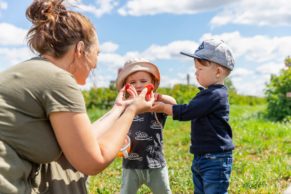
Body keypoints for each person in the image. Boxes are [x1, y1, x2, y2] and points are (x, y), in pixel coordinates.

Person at [0, 1, 154, 194]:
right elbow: (92, 161)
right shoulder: (58, 80)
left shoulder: (32, 70)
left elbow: (81, 141)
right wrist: (132, 111)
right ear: (80, 49)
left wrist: (118, 109)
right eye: (96, 53)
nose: (96, 64)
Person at [158, 39, 235, 194]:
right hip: (201, 157)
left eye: (199, 69)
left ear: (218, 72)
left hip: (215, 159)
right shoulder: (207, 94)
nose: (196, 73)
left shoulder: (216, 95)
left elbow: (188, 111)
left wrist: (164, 108)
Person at [116, 58, 177, 194]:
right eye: (132, 82)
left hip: (155, 163)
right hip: (131, 164)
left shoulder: (155, 105)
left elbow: (174, 105)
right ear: (126, 86)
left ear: (153, 84)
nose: (138, 85)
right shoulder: (126, 106)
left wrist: (160, 98)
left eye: (143, 81)